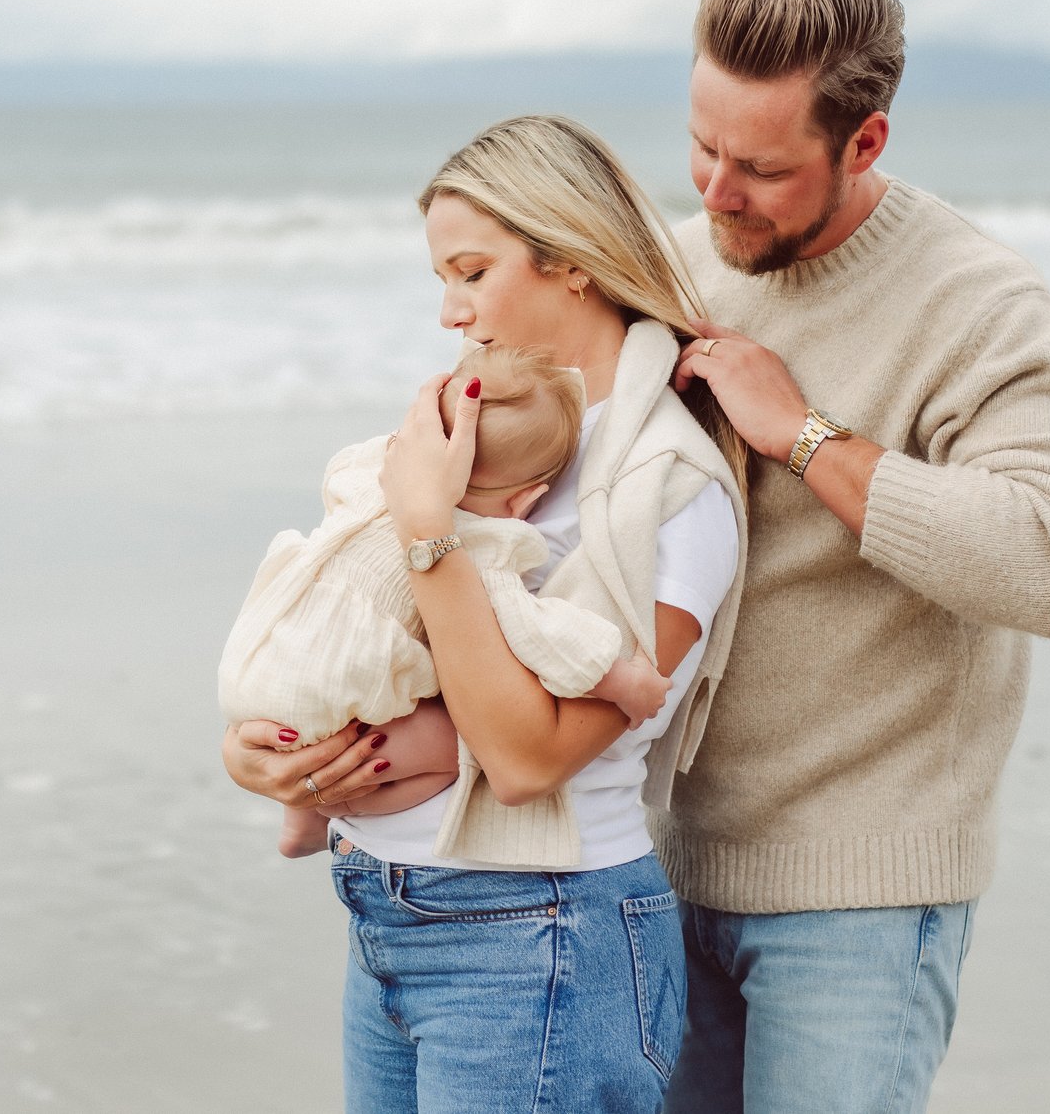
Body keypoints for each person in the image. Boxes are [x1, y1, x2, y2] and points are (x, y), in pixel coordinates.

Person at [657, 0, 1050, 1113]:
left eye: (761, 167)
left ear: (864, 143)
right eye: (702, 145)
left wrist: (803, 435)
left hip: (861, 889)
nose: (717, 192)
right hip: (652, 860)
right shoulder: (665, 262)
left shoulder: (978, 303)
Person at [220, 115, 749, 1113]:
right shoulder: (479, 428)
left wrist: (431, 526)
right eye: (440, 280)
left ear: (573, 261)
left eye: (469, 271)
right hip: (384, 905)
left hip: (537, 933)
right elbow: (357, 621)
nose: (449, 311)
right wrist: (270, 752)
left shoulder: (670, 486)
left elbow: (531, 757)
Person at [217, 342, 673, 860]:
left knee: (316, 693)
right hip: (335, 702)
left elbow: (346, 467)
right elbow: (538, 634)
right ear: (526, 501)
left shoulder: (367, 476)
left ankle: (297, 822)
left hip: (256, 667)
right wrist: (623, 682)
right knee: (459, 752)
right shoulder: (479, 546)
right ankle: (324, 817)